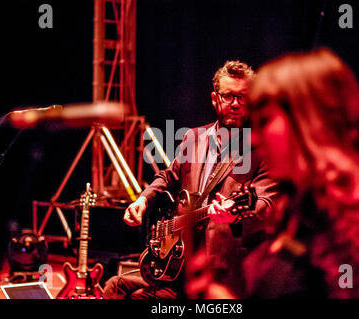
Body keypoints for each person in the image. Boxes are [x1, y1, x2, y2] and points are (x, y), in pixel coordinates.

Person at [103, 60, 278, 299]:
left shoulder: (264, 150)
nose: (235, 104)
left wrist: (234, 214)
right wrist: (143, 199)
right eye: (228, 96)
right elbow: (168, 176)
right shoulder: (194, 138)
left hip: (226, 274)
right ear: (215, 98)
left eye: (243, 97)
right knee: (115, 286)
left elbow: (266, 204)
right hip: (179, 265)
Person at [239, 48, 359, 298]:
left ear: (310, 121)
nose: (255, 137)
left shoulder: (356, 223)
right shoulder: (297, 206)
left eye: (266, 120)